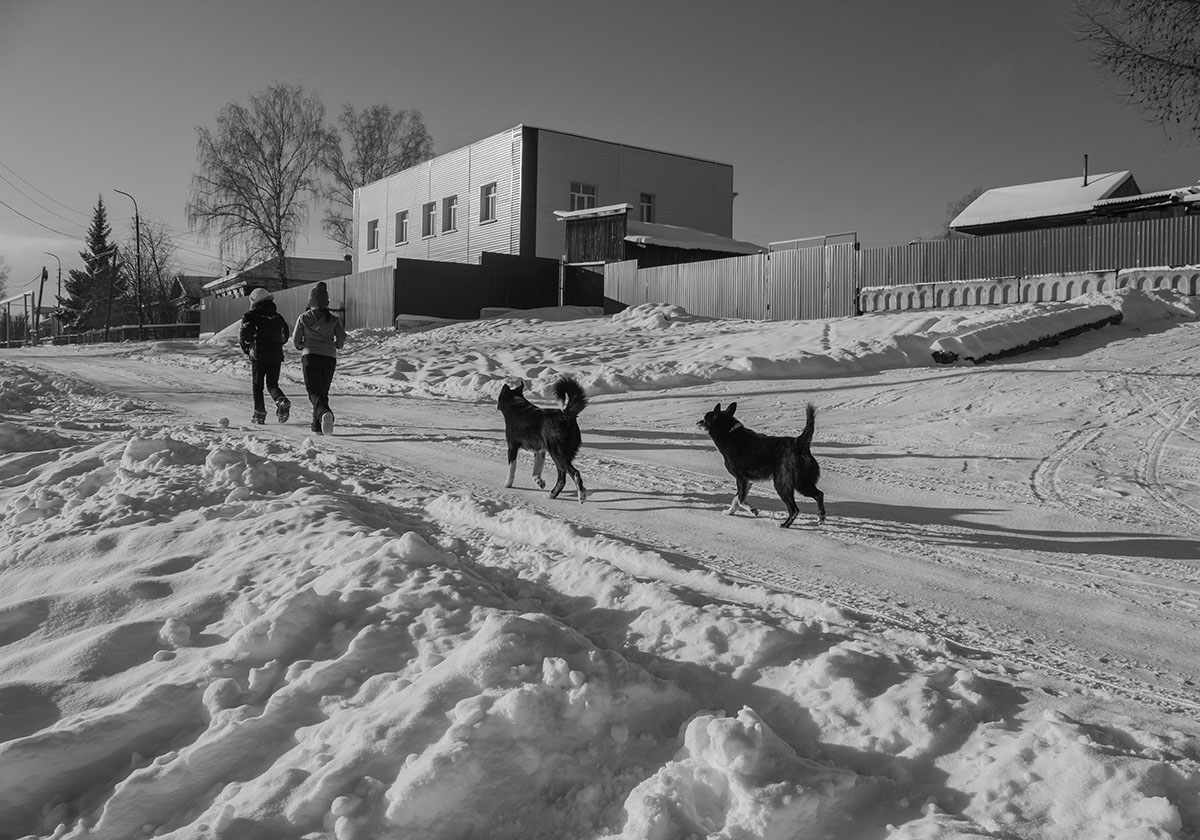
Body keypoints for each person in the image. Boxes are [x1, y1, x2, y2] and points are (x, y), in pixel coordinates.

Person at [293, 281, 346, 435]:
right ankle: (317, 426)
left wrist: (300, 344)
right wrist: (337, 344)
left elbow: (296, 339)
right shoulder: (333, 319)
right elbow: (342, 336)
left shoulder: (304, 317)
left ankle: (324, 414)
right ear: (326, 301)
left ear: (310, 301)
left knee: (313, 391)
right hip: (329, 357)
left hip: (310, 356)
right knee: (322, 391)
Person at [239, 287, 291, 425]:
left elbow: (246, 336)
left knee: (258, 385)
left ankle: (259, 414)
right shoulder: (278, 317)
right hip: (276, 355)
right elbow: (285, 334)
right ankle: (281, 400)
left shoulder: (250, 316)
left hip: (259, 354)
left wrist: (246, 347)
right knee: (272, 384)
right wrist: (277, 344)